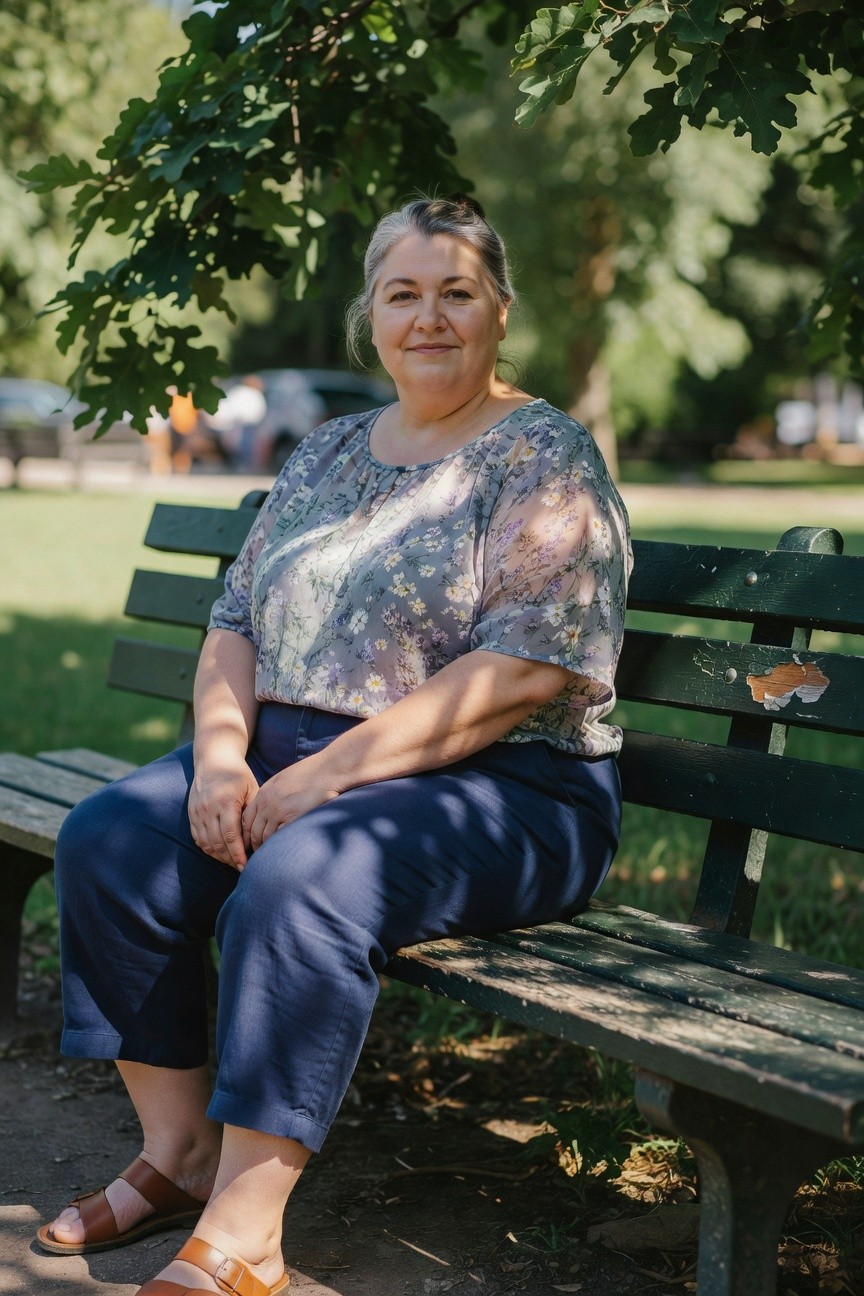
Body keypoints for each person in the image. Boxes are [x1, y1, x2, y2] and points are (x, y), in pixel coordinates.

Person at [37, 197, 632, 1296]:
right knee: (113, 839)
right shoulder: (323, 453)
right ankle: (178, 1153)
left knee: (306, 881)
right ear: (371, 315)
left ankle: (249, 1226)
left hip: (500, 787)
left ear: (500, 309)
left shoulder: (542, 455)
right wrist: (223, 759)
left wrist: (314, 781)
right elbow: (236, 623)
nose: (431, 318)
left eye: (458, 292)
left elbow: (526, 673)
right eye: (404, 294)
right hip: (293, 756)